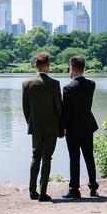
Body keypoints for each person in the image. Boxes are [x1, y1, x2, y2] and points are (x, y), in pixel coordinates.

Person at [22, 52, 62, 202]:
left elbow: (25, 108)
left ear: (36, 66)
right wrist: (60, 127)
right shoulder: (54, 83)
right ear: (47, 66)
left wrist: (31, 123)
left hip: (36, 127)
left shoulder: (27, 84)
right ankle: (43, 193)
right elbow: (59, 108)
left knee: (35, 157)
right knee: (47, 158)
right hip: (51, 127)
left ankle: (32, 191)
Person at [61, 56, 99, 199]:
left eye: (70, 68)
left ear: (72, 69)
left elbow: (66, 112)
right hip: (88, 126)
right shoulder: (92, 84)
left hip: (73, 128)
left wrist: (61, 128)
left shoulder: (68, 88)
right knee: (89, 157)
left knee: (74, 158)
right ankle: (93, 188)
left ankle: (74, 189)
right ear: (83, 68)